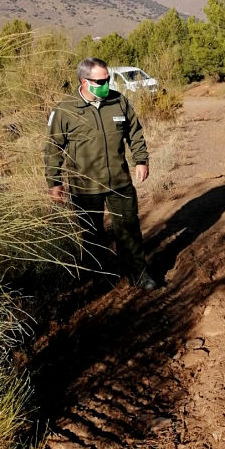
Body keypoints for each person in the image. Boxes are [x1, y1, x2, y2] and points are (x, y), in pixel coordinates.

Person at [44, 57, 158, 291]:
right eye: (100, 81)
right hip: (85, 186)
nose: (106, 84)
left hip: (120, 180)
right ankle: (101, 280)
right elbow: (53, 148)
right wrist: (54, 183)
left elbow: (134, 132)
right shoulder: (65, 110)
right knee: (92, 236)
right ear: (84, 82)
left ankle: (138, 274)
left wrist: (141, 160)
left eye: (107, 79)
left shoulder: (118, 101)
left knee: (129, 229)